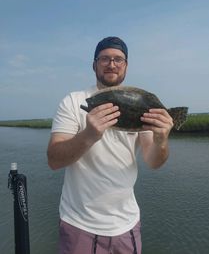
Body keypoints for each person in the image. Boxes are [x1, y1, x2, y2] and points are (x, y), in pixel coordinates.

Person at [47, 36, 173, 254]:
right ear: (94, 64)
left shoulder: (138, 101)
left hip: (126, 225)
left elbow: (153, 161)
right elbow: (54, 160)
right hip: (79, 225)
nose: (111, 64)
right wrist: (89, 134)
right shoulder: (73, 101)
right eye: (104, 59)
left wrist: (161, 139)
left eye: (118, 59)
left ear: (126, 65)